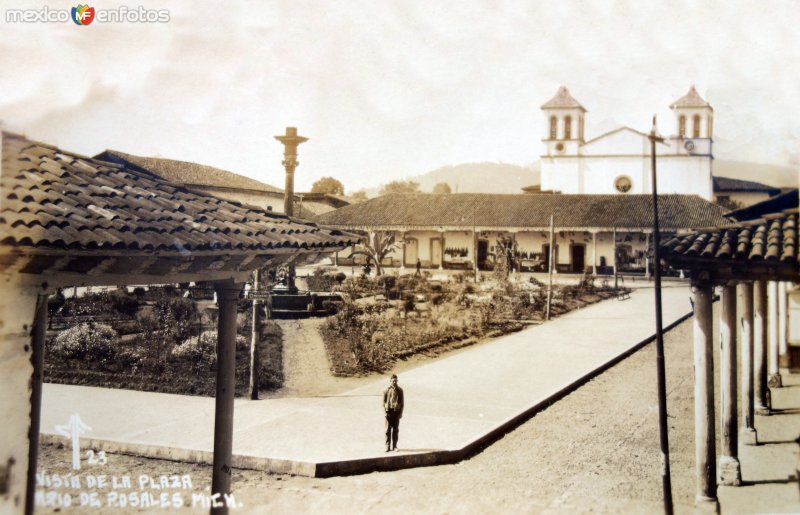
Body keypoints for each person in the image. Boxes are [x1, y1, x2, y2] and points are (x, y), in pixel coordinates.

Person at [383, 374, 404, 452]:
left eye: (396, 380)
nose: (394, 382)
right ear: (390, 381)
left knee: (395, 430)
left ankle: (394, 446)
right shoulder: (386, 390)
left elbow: (402, 403)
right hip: (389, 411)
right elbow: (383, 402)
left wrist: (401, 413)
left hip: (396, 412)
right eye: (393, 380)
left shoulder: (400, 390)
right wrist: (384, 412)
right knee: (387, 430)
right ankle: (387, 446)